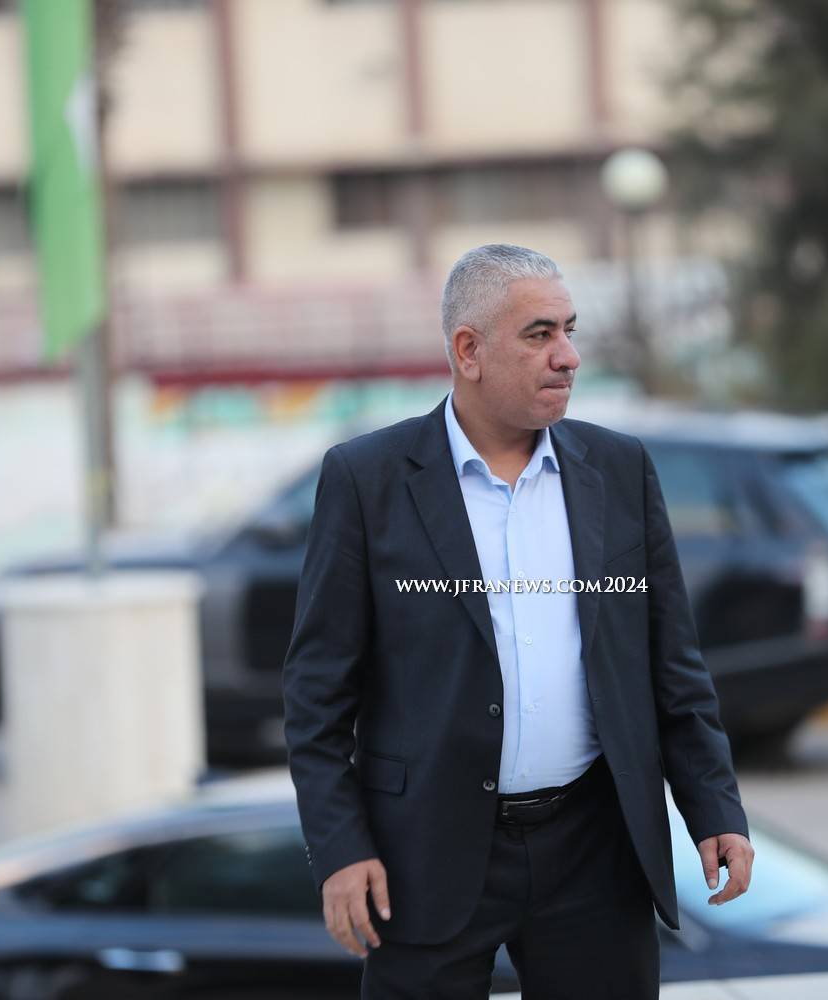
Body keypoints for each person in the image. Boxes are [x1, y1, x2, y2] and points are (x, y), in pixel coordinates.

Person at [283, 243, 754, 998]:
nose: (568, 356)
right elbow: (316, 697)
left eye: (569, 330)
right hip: (425, 852)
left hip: (594, 849)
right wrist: (340, 847)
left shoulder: (620, 470)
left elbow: (673, 665)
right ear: (468, 351)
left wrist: (713, 806)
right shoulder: (367, 481)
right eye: (539, 334)